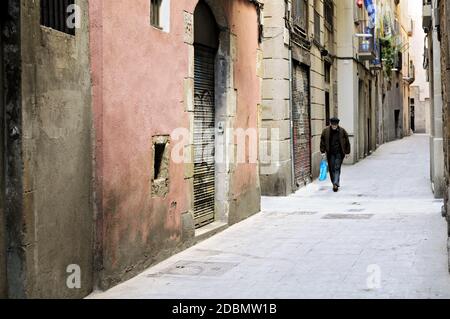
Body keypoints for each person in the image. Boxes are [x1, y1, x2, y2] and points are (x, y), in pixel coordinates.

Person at [320, 117, 351, 192]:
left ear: (337, 124)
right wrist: (323, 151)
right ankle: (334, 181)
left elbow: (347, 141)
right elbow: (322, 142)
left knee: (337, 167)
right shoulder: (326, 131)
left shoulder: (342, 131)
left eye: (335, 125)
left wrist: (347, 152)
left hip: (339, 153)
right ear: (331, 124)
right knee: (331, 168)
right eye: (333, 125)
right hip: (330, 153)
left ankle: (335, 184)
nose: (334, 126)